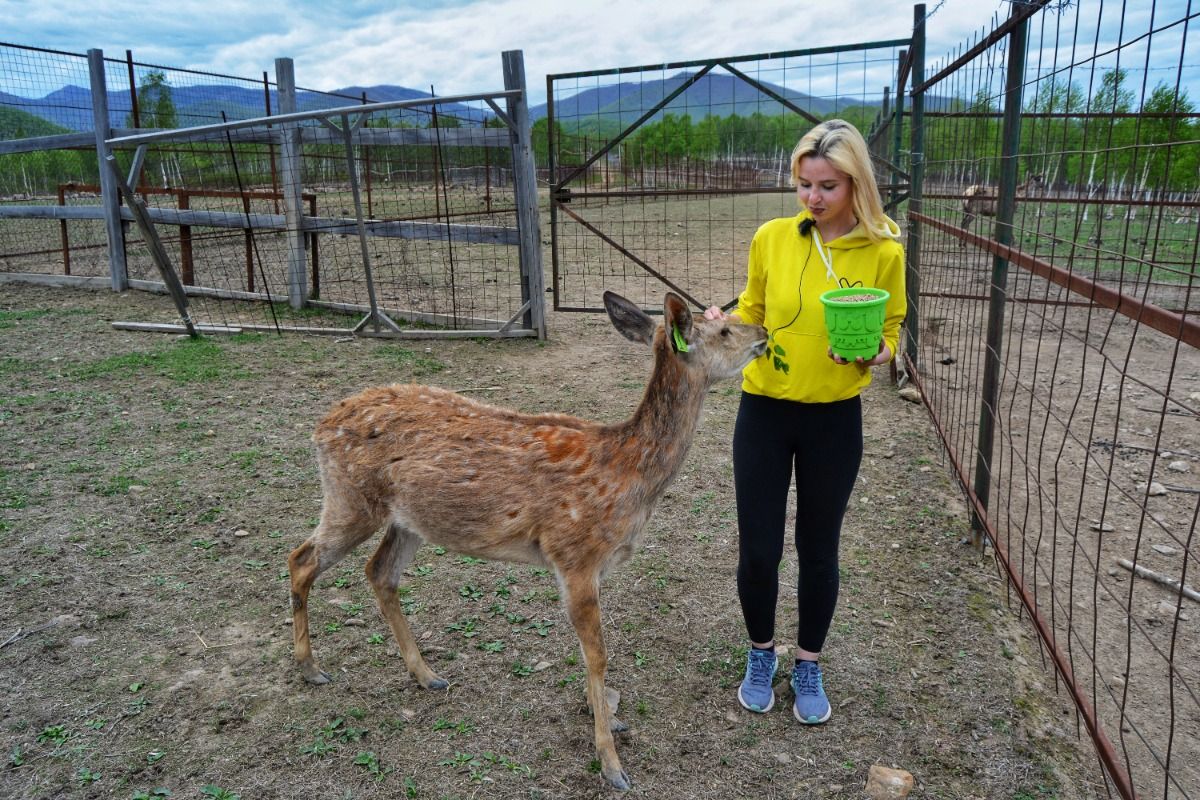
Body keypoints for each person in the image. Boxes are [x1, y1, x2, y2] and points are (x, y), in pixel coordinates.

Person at [704, 119, 906, 724]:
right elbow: (755, 308)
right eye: (804, 185)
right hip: (763, 410)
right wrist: (725, 318)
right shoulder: (772, 237)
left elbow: (892, 331)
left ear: (856, 186)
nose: (814, 199)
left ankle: (808, 661)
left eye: (828, 186)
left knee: (820, 550)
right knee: (760, 551)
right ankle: (761, 652)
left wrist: (878, 352)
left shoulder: (884, 252)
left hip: (834, 419)